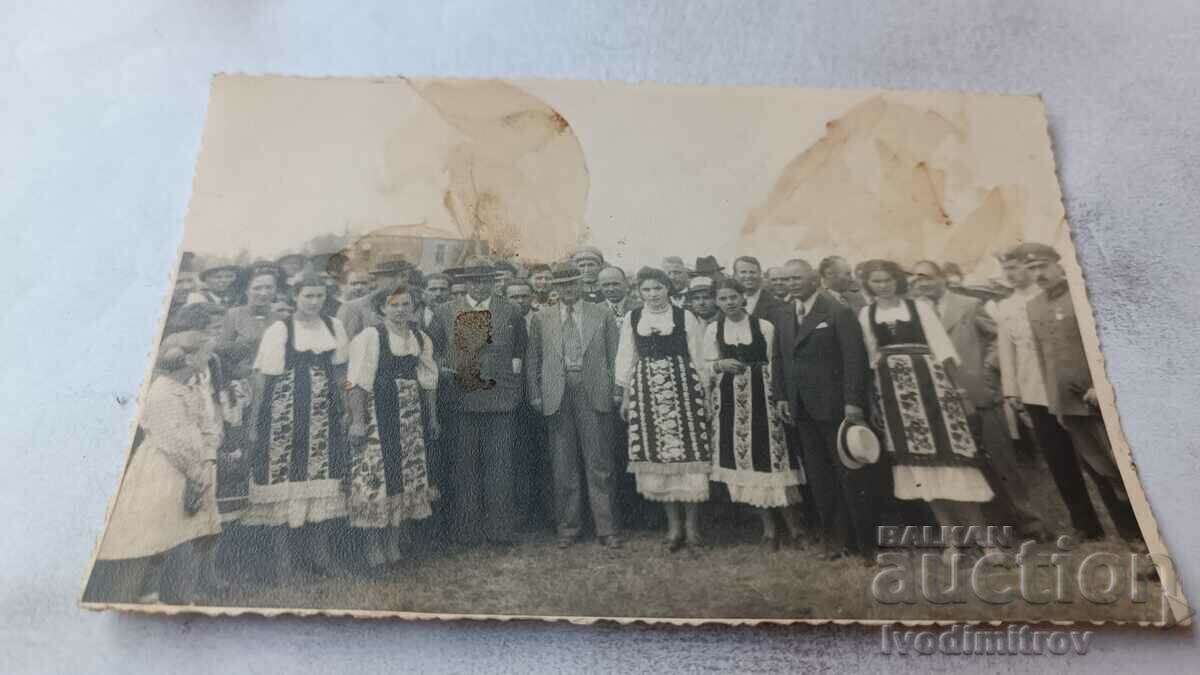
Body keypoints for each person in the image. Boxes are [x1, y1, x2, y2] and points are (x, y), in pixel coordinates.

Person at [857, 260, 994, 542]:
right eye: (876, 282)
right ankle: (950, 540)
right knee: (919, 467)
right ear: (868, 286)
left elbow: (943, 350)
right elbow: (871, 359)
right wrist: (876, 400)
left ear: (897, 281)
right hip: (896, 396)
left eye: (887, 280)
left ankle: (982, 538)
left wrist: (957, 390)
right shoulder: (866, 314)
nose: (883, 286)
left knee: (953, 456)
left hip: (932, 388)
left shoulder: (919, 309)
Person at [910, 260, 1045, 540]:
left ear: (943, 279)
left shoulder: (968, 305)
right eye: (917, 279)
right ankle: (995, 525)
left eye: (927, 277)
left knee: (1002, 460)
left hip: (978, 392)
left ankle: (1029, 522)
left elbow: (999, 339)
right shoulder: (916, 312)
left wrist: (987, 371)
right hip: (942, 398)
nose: (922, 283)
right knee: (971, 465)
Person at [1020, 243, 1141, 542]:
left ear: (1058, 264)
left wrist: (1099, 385)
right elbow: (1041, 356)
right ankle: (1134, 539)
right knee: (1104, 473)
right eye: (1032, 269)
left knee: (1128, 466)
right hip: (1068, 405)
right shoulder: (1032, 306)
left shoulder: (1083, 294)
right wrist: (1055, 404)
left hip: (1100, 399)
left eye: (1043, 266)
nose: (1039, 273)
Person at [96, 330, 223, 604]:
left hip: (195, 465)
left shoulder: (193, 384)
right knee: (150, 537)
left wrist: (209, 457)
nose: (209, 358)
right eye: (204, 354)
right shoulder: (162, 393)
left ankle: (174, 597)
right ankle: (134, 597)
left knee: (186, 536)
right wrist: (197, 473)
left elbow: (207, 423)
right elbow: (172, 442)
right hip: (164, 469)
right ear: (189, 359)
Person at [245, 271, 350, 580]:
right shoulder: (280, 329)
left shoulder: (335, 326)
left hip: (323, 414)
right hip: (284, 415)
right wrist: (254, 423)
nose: (314, 302)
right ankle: (284, 564)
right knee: (283, 480)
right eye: (308, 296)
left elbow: (341, 372)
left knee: (322, 479)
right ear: (296, 297)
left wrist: (345, 410)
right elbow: (262, 378)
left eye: (319, 296)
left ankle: (320, 556)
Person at [995, 246, 1105, 539]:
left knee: (1094, 455)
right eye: (1007, 269)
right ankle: (1084, 523)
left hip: (1069, 387)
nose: (1013, 274)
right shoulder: (1005, 307)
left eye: (1018, 267)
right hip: (1034, 390)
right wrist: (1012, 390)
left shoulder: (1055, 296)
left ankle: (1124, 516)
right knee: (1059, 460)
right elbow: (1007, 352)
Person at [769, 259, 874, 558]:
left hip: (836, 407)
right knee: (819, 478)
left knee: (850, 476)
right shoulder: (785, 313)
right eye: (787, 279)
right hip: (801, 408)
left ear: (814, 279)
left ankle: (864, 543)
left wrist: (853, 403)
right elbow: (778, 359)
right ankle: (834, 540)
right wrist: (782, 397)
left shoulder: (836, 311)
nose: (791, 284)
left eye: (797, 278)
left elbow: (855, 359)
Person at [429, 262, 528, 545]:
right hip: (461, 400)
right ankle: (467, 532)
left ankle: (500, 531)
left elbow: (520, 351)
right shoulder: (445, 311)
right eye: (473, 281)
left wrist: (512, 387)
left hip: (500, 400)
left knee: (500, 467)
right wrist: (443, 369)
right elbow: (431, 351)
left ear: (493, 282)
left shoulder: (510, 310)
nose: (479, 286)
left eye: (485, 280)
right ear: (464, 282)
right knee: (464, 467)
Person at [615, 267, 712, 551]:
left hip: (684, 391)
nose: (653, 294)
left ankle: (693, 529)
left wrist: (704, 395)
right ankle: (673, 529)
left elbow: (699, 357)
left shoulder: (685, 317)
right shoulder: (633, 318)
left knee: (689, 456)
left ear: (668, 289)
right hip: (647, 394)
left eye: (657, 288)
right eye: (646, 289)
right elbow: (627, 358)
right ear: (639, 292)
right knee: (660, 459)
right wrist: (625, 397)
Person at [345, 282, 440, 568]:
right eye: (394, 305)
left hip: (410, 418)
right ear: (382, 308)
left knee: (405, 478)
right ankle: (373, 551)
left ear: (414, 307)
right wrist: (358, 421)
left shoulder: (421, 338)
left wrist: (433, 417)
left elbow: (429, 382)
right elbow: (355, 381)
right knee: (376, 480)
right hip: (377, 416)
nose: (400, 311)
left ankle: (394, 546)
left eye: (406, 305)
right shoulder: (370, 337)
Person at [527, 265, 622, 548]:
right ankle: (568, 528)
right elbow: (533, 358)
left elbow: (615, 356)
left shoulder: (601, 314)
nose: (568, 289)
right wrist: (535, 393)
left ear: (581, 283)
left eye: (572, 284)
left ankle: (607, 528)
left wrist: (616, 390)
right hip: (557, 393)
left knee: (599, 463)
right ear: (555, 287)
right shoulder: (541, 318)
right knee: (562, 464)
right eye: (562, 285)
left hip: (593, 391)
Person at [705, 279, 804, 550]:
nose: (729, 302)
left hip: (764, 397)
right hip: (730, 402)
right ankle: (769, 530)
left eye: (733, 297)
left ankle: (795, 528)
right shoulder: (714, 328)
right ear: (717, 301)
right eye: (723, 298)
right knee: (745, 460)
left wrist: (778, 396)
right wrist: (719, 364)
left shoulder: (764, 326)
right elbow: (705, 365)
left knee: (773, 457)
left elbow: (777, 361)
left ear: (742, 297)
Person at [337, 254, 415, 339]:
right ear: (378, 278)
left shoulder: (409, 305)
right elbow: (344, 346)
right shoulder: (353, 308)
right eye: (391, 276)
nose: (400, 280)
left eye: (403, 276)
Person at [732, 256, 785, 321]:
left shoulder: (777, 304)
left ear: (760, 274)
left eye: (752, 272)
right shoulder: (729, 302)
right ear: (735, 276)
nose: (748, 276)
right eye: (743, 272)